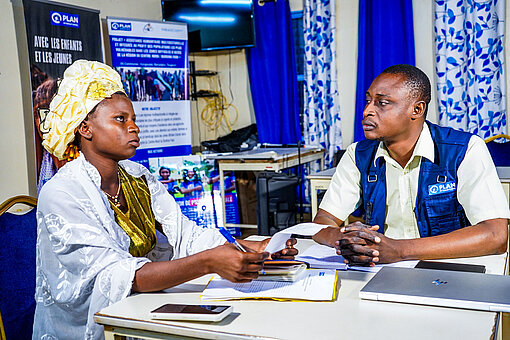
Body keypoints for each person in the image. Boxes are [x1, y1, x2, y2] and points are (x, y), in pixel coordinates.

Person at [33, 60, 297, 339]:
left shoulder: (138, 177)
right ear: (85, 128)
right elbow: (118, 277)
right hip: (96, 325)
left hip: (143, 309)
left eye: (134, 119)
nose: (134, 128)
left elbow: (186, 237)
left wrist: (257, 247)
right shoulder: (62, 192)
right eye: (120, 119)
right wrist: (209, 262)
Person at [312, 64, 510, 266]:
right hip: (381, 269)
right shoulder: (358, 155)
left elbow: (495, 235)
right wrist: (346, 238)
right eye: (368, 101)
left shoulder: (464, 149)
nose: (366, 111)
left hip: (450, 269)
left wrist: (399, 251)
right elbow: (323, 222)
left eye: (382, 103)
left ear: (417, 109)